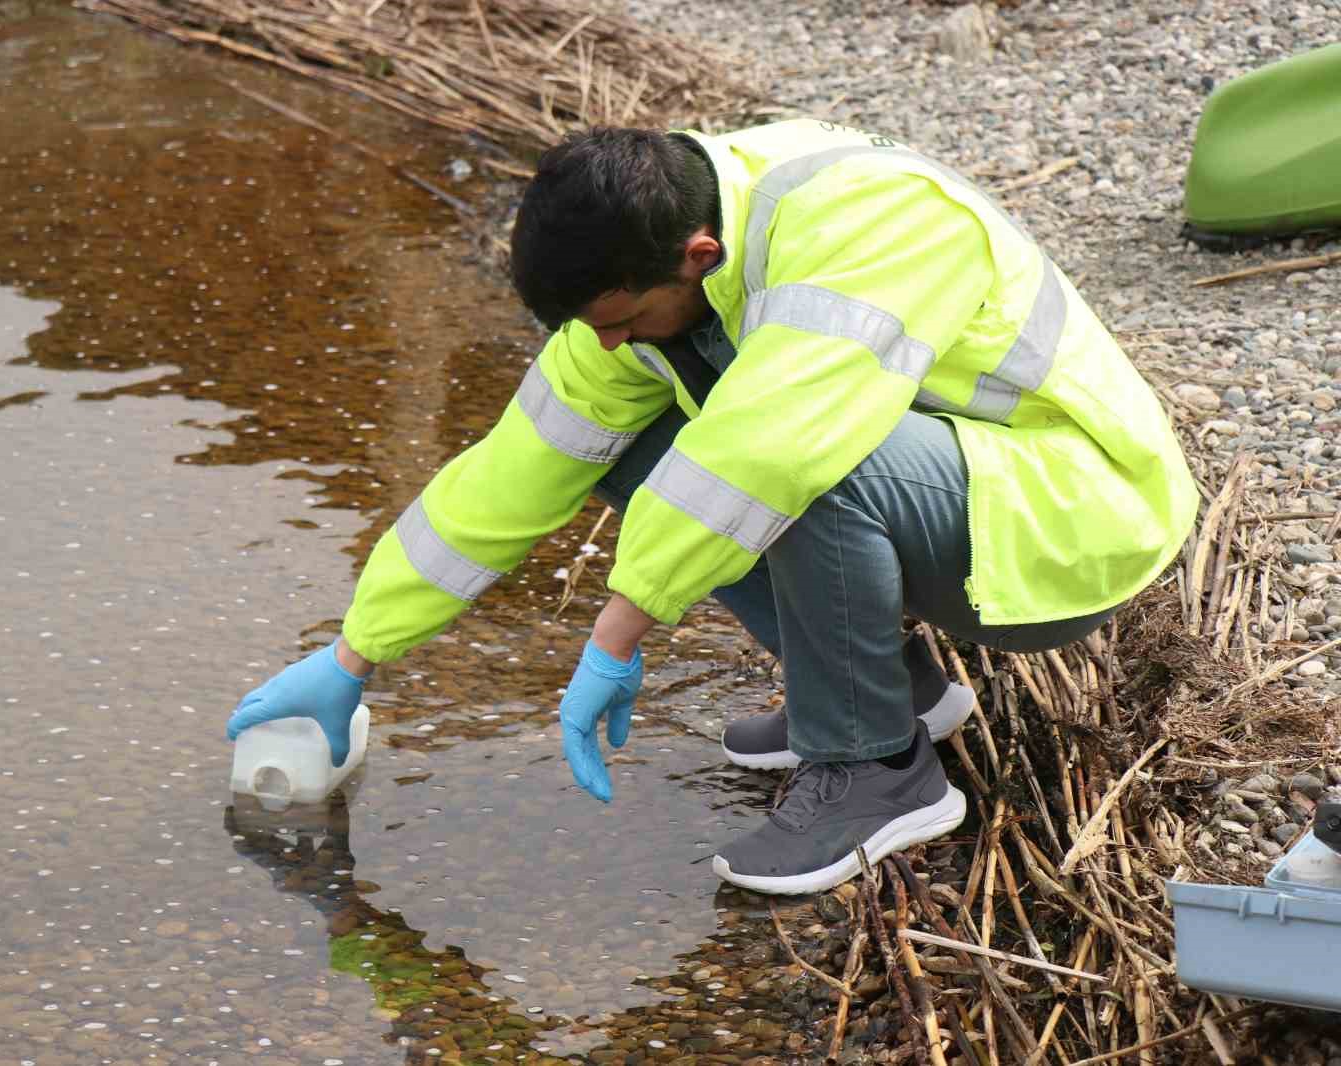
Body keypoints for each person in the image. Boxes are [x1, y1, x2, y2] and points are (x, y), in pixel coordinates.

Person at [227, 119, 1198, 895]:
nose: (608, 347)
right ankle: (891, 689)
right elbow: (509, 474)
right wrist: (356, 651)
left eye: (621, 322)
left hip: (1076, 513)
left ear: (694, 255)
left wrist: (615, 633)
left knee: (798, 460)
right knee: (622, 451)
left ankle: (878, 766)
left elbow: (771, 449)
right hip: (957, 495)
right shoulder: (652, 250)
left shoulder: (869, 219)